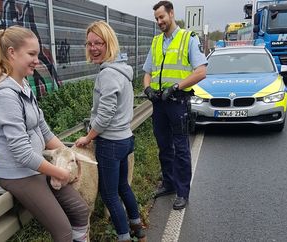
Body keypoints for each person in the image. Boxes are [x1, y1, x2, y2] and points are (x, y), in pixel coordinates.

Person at [0, 26, 89, 242]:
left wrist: (67, 153)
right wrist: (59, 172)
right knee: (63, 231)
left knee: (80, 210)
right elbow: (21, 152)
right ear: (11, 53)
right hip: (18, 174)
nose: (37, 60)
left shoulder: (23, 85)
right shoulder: (5, 96)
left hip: (36, 167)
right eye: (32, 54)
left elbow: (43, 129)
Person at [75, 21, 146, 242]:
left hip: (111, 144)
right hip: (126, 138)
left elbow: (105, 114)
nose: (93, 48)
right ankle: (137, 228)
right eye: (89, 43)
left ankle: (124, 237)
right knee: (123, 186)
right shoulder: (122, 71)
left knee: (109, 194)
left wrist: (88, 137)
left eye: (99, 43)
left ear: (109, 43)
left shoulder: (107, 75)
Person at [142, 1, 207, 210]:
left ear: (171, 14)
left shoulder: (188, 38)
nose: (159, 22)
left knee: (180, 148)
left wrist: (177, 86)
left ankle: (182, 192)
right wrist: (147, 89)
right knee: (163, 147)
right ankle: (168, 184)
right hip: (160, 104)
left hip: (178, 102)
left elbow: (201, 71)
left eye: (162, 17)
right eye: (156, 19)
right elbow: (147, 72)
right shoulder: (156, 42)